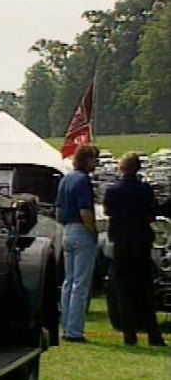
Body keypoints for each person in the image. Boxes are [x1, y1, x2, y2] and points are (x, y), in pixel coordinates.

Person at [103, 152, 167, 347]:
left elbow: (107, 211)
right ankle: (153, 333)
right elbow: (152, 211)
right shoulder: (144, 189)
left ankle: (129, 333)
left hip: (121, 243)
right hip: (141, 242)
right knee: (145, 288)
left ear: (121, 168)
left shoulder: (112, 191)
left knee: (124, 289)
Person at [56, 145, 99, 343]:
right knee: (81, 284)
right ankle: (75, 330)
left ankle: (65, 325)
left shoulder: (66, 179)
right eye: (94, 159)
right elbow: (86, 211)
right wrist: (93, 232)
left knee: (68, 282)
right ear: (87, 160)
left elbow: (58, 210)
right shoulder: (83, 181)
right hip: (81, 231)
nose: (96, 163)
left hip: (66, 229)